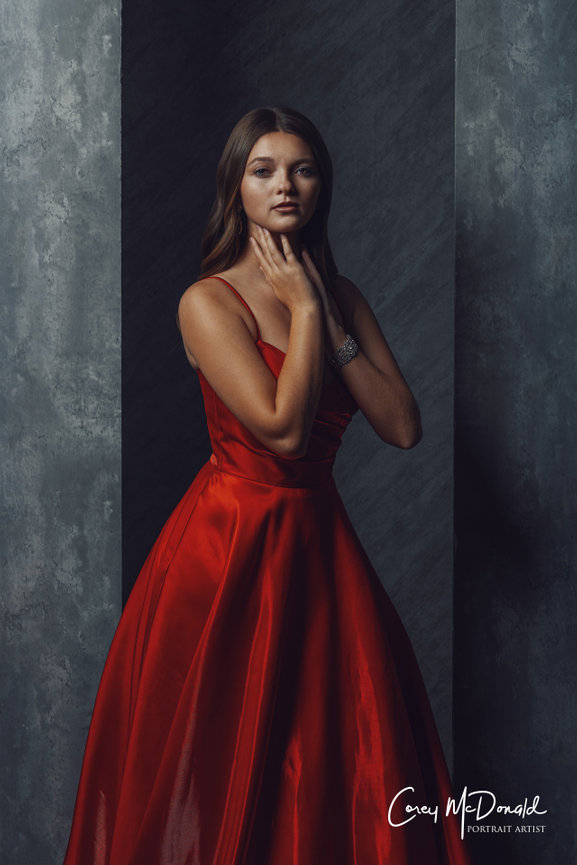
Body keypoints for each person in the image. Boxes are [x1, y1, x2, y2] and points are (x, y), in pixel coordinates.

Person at [63, 106, 473, 865]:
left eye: (302, 168)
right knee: (216, 761)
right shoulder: (207, 301)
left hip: (318, 545)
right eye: (263, 170)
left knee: (327, 757)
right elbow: (282, 431)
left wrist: (326, 308)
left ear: (321, 186)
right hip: (226, 552)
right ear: (236, 188)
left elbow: (403, 424)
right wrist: (308, 308)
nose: (285, 184)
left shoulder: (342, 294)